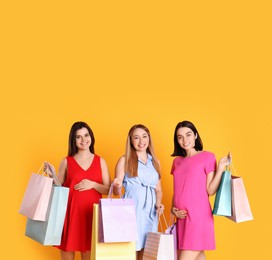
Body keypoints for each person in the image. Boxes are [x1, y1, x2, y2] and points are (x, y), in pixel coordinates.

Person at [44, 121, 111, 260]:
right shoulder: (66, 161)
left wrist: (93, 185)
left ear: (91, 137)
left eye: (86, 135)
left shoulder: (100, 161)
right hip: (70, 215)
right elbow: (59, 188)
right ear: (73, 140)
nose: (83, 140)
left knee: (88, 256)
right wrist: (52, 175)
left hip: (91, 217)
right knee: (67, 256)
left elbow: (109, 190)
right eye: (78, 137)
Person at [170, 121, 231, 260]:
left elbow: (210, 190)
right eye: (180, 137)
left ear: (195, 135)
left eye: (188, 134)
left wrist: (220, 168)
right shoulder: (177, 162)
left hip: (198, 217)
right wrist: (173, 209)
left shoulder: (207, 157)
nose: (185, 140)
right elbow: (177, 190)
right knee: (198, 256)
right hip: (182, 219)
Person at [113, 124, 164, 260]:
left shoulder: (156, 162)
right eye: (136, 137)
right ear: (131, 141)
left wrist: (158, 203)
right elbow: (116, 191)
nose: (141, 141)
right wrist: (117, 185)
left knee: (148, 250)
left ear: (149, 139)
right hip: (132, 211)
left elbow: (158, 189)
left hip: (150, 213)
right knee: (130, 250)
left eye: (144, 137)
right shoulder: (125, 160)